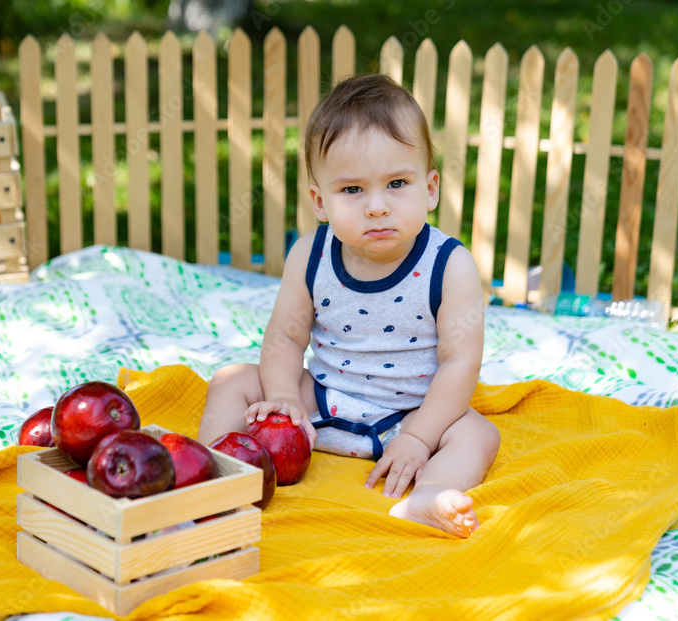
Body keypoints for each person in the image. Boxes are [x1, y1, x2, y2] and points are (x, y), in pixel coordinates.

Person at [197, 74, 500, 538]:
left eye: (397, 183)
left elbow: (460, 362)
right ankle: (212, 473)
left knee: (477, 434)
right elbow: (285, 336)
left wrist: (420, 438)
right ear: (320, 201)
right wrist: (280, 397)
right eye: (352, 190)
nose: (377, 206)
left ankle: (428, 495)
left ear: (431, 189)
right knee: (232, 379)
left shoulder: (449, 265)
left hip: (411, 417)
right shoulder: (311, 255)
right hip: (317, 402)